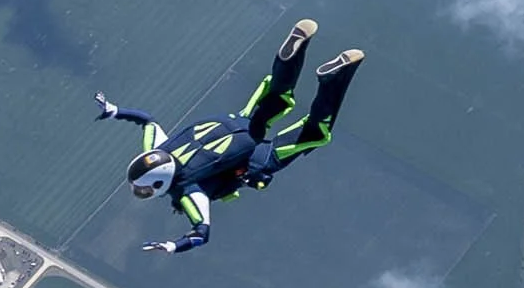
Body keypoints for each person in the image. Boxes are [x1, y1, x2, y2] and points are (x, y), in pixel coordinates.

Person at [95, 19, 363, 254]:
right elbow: (146, 120)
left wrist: (173, 246)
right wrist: (114, 111)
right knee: (277, 95)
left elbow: (201, 233)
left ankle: (333, 79)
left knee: (316, 132)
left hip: (253, 159)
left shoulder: (186, 190)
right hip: (239, 121)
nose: (140, 192)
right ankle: (288, 59)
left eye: (144, 190)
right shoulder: (159, 146)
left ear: (160, 182)